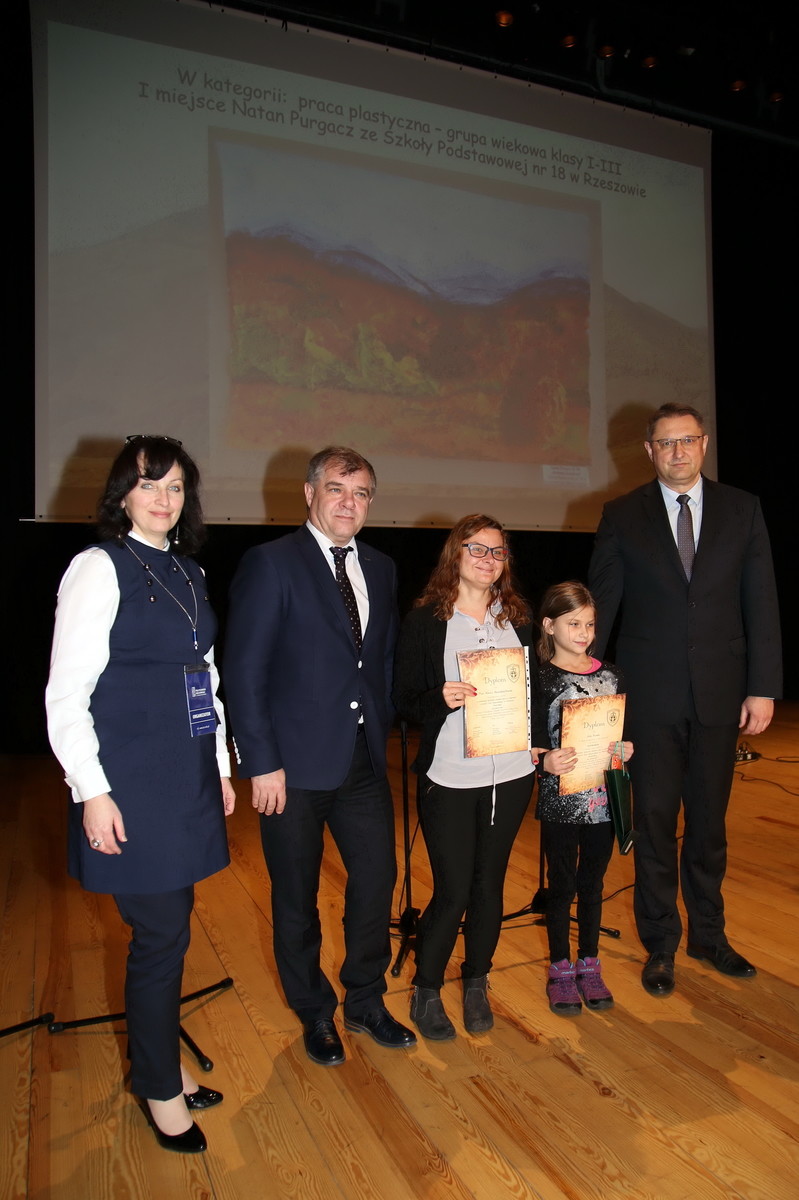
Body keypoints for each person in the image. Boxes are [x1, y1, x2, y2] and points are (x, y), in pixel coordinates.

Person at [45, 435, 235, 1155]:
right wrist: (92, 792)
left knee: (171, 927)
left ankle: (162, 1062)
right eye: (150, 484)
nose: (163, 498)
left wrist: (219, 764)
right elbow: (66, 694)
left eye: (176, 487)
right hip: (127, 779)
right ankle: (158, 1086)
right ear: (122, 493)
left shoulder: (189, 570)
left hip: (185, 773)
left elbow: (204, 677)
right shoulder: (98, 567)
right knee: (160, 933)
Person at [223, 447, 415, 1065]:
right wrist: (260, 761)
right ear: (310, 493)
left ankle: (365, 999)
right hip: (291, 768)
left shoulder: (381, 567)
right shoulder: (271, 563)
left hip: (362, 761)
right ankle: (313, 1010)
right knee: (296, 897)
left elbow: (379, 660)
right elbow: (243, 671)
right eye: (336, 489)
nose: (348, 503)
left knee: (376, 880)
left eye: (360, 493)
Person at [588, 403, 782, 996]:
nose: (678, 452)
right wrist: (584, 687)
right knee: (652, 821)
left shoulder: (742, 509)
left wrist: (763, 686)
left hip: (722, 693)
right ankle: (661, 943)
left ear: (704, 444)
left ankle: (709, 935)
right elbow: (601, 607)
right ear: (649, 451)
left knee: (708, 823)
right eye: (666, 443)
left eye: (687, 440)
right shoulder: (622, 515)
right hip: (649, 698)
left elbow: (761, 601)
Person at [392, 515, 546, 1040]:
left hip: (513, 773)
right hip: (451, 775)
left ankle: (477, 980)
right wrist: (440, 697)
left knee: (489, 886)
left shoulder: (518, 619)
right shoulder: (425, 621)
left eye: (497, 552)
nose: (487, 559)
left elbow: (534, 690)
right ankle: (427, 987)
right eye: (477, 549)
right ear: (455, 554)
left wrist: (538, 740)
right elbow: (403, 700)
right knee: (453, 889)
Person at [534, 581, 633, 1015]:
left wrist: (625, 749)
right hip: (560, 799)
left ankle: (589, 964)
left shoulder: (612, 674)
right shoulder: (540, 679)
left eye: (589, 624)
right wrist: (544, 760)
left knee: (593, 883)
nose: (583, 632)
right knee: (561, 885)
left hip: (602, 797)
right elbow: (530, 741)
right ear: (548, 625)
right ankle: (560, 967)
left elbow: (620, 731)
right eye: (573, 624)